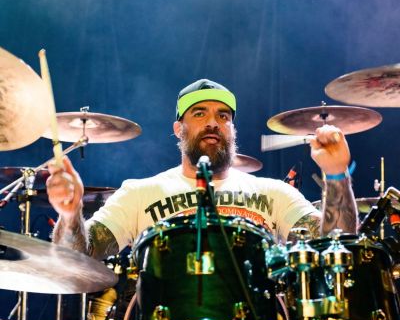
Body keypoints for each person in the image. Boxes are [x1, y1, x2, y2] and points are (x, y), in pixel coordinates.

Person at [46, 79, 358, 260]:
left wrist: (336, 175)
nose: (212, 123)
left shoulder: (274, 193)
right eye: (199, 114)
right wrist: (70, 214)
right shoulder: (139, 193)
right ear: (178, 128)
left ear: (232, 129)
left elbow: (336, 245)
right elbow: (77, 257)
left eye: (223, 116)